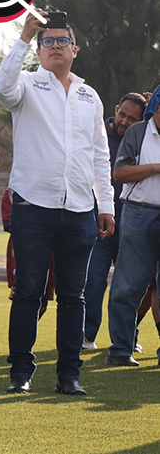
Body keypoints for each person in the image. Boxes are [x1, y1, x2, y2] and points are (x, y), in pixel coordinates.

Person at [0, 13, 113, 396]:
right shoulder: (26, 84)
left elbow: (99, 155)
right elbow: (1, 88)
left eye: (63, 41)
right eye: (48, 41)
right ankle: (20, 372)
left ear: (74, 50)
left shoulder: (88, 95)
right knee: (29, 290)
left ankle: (69, 374)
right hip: (33, 206)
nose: (56, 45)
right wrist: (24, 37)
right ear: (40, 50)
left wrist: (105, 203)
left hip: (80, 209)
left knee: (73, 296)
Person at [83, 93, 146, 349]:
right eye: (123, 114)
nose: (124, 121)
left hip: (131, 221)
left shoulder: (143, 139)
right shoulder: (96, 134)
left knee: (128, 285)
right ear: (116, 109)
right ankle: (86, 335)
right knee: (94, 279)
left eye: (132, 119)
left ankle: (126, 338)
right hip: (99, 220)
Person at [103, 97, 160, 367]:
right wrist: (157, 168)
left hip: (143, 214)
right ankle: (120, 349)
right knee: (128, 285)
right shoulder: (138, 132)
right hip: (138, 212)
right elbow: (120, 173)